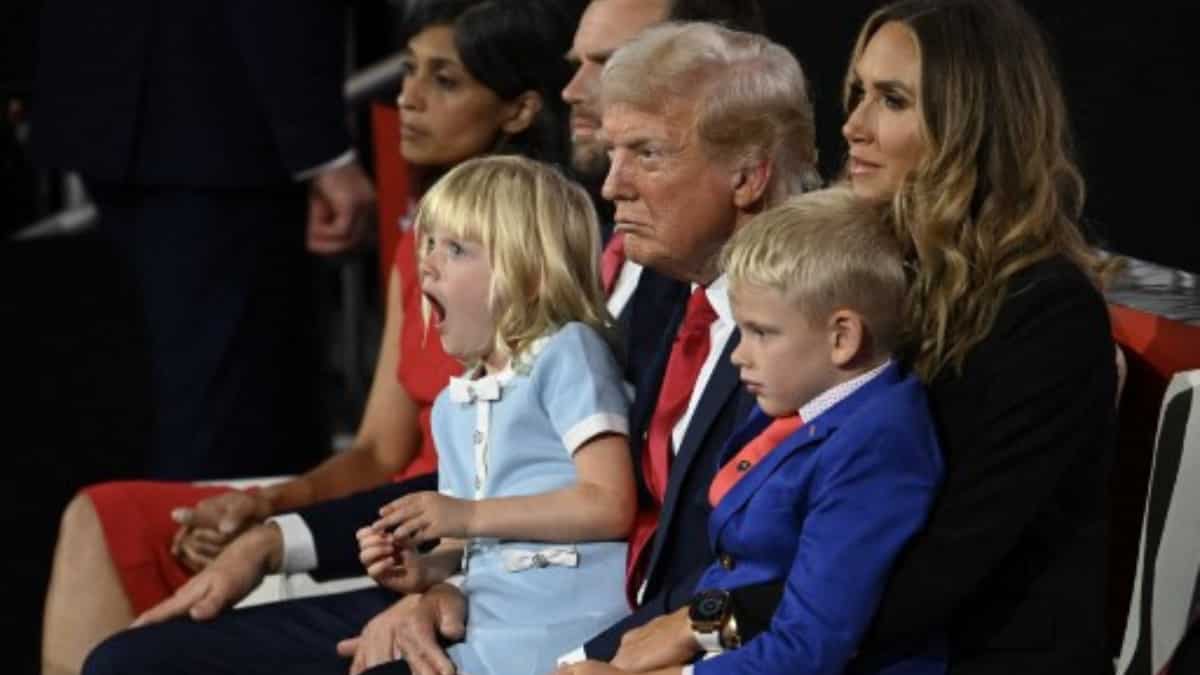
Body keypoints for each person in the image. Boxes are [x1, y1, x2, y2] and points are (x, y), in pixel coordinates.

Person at [80, 19, 820, 675]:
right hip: (488, 600)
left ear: (747, 175)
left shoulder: (795, 329)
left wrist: (645, 649)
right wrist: (428, 576)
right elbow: (426, 475)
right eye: (615, 147)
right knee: (130, 658)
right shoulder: (664, 295)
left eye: (648, 151)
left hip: (599, 633)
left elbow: (743, 554)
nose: (614, 182)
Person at [43, 1, 577, 673]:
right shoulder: (416, 241)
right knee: (100, 515)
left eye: (445, 81)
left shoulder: (545, 254)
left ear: (521, 108)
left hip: (433, 540)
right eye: (408, 71)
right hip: (372, 511)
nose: (407, 99)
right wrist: (268, 502)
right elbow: (379, 445)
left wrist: (281, 527)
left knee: (138, 653)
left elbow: (544, 475)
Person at [600, 1, 1119, 673]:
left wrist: (702, 630)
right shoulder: (871, 272)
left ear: (973, 125)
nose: (854, 126)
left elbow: (922, 575)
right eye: (857, 95)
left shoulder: (1043, 312)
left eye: (893, 100)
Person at [565, 187, 946, 675]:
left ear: (842, 337)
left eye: (761, 333)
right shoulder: (794, 403)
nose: (738, 354)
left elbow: (808, 646)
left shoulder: (879, 442)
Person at [32, 0, 374, 481]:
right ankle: (198, 553)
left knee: (158, 407)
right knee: (226, 425)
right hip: (216, 122)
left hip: (112, 109)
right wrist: (322, 150)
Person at [349, 154, 635, 675]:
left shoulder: (567, 351)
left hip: (567, 631)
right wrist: (422, 569)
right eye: (428, 245)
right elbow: (466, 545)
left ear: (530, 276)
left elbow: (610, 503)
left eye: (455, 249)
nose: (428, 264)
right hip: (490, 635)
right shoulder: (452, 406)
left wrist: (466, 515)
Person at [562, 0, 766, 320]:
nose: (571, 91)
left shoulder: (763, 301)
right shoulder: (585, 246)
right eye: (577, 65)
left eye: (611, 63)